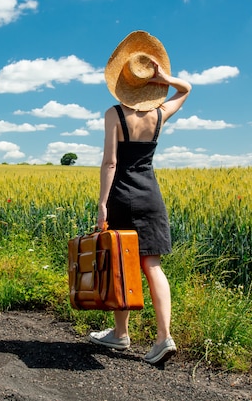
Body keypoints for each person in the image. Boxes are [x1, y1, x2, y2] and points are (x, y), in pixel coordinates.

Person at [87, 31, 192, 365]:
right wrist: (166, 78)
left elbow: (110, 162)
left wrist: (103, 204)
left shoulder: (114, 115)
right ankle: (164, 338)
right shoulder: (160, 114)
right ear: (149, 84)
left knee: (122, 261)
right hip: (150, 193)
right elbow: (186, 88)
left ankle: (120, 334)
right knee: (152, 265)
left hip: (122, 193)